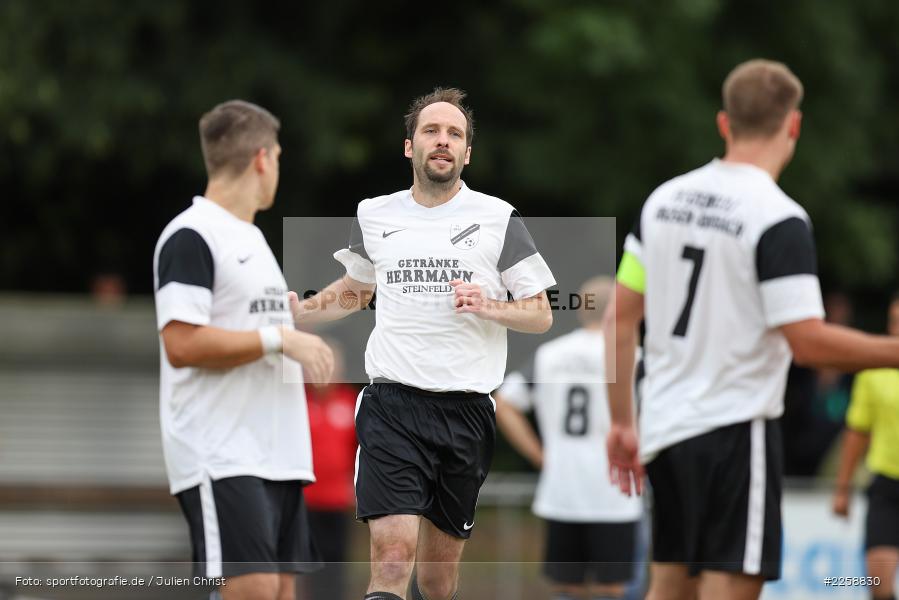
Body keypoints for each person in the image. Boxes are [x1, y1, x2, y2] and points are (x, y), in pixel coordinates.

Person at [605, 59, 899, 600]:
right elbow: (808, 342)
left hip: (665, 427)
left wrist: (623, 422)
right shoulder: (778, 217)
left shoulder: (664, 200)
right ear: (794, 125)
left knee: (669, 584)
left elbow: (620, 318)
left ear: (724, 123)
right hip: (736, 428)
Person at [292, 87, 556, 600]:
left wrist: (490, 304)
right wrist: (297, 314)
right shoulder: (374, 214)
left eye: (454, 134)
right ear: (409, 146)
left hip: (465, 411)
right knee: (392, 557)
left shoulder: (499, 217)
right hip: (392, 404)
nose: (443, 141)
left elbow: (541, 313)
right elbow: (355, 291)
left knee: (437, 581)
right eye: (431, 131)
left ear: (467, 153)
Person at [153, 100, 334, 600]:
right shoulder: (191, 236)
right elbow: (182, 343)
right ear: (261, 158)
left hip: (279, 452)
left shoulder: (253, 239)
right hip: (222, 451)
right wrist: (279, 338)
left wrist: (289, 326)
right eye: (277, 156)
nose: (277, 166)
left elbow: (251, 329)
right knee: (250, 588)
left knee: (278, 591)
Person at [495, 276, 643, 600]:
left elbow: (504, 403)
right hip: (615, 491)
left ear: (581, 310)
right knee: (612, 588)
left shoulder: (550, 355)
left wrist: (540, 455)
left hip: (562, 488)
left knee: (566, 588)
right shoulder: (634, 357)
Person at [832, 293, 899, 600]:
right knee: (879, 584)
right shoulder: (873, 371)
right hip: (886, 484)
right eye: (894, 321)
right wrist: (842, 488)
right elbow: (857, 431)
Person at [301, 342, 359, 600]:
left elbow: (362, 452)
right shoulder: (297, 403)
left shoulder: (351, 402)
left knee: (337, 565)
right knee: (305, 568)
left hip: (339, 502)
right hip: (303, 502)